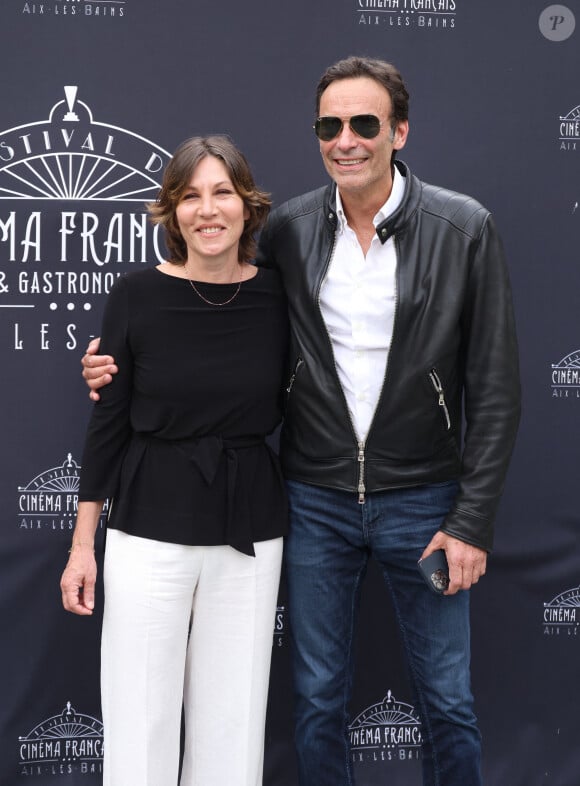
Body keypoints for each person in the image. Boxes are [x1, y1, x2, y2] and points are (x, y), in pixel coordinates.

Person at [82, 56, 521, 786]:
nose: (345, 139)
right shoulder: (287, 229)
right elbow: (206, 313)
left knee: (446, 700)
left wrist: (472, 518)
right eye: (329, 125)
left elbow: (497, 386)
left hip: (425, 498)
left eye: (364, 124)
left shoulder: (462, 227)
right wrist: (114, 360)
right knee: (316, 699)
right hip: (312, 497)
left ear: (399, 131)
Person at [61, 135, 289, 786]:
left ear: (248, 207)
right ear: (171, 211)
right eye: (191, 196)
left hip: (249, 529)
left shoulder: (281, 296)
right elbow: (107, 422)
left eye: (222, 193)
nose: (207, 210)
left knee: (233, 722)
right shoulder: (135, 295)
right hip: (148, 525)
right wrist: (84, 546)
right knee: (140, 716)